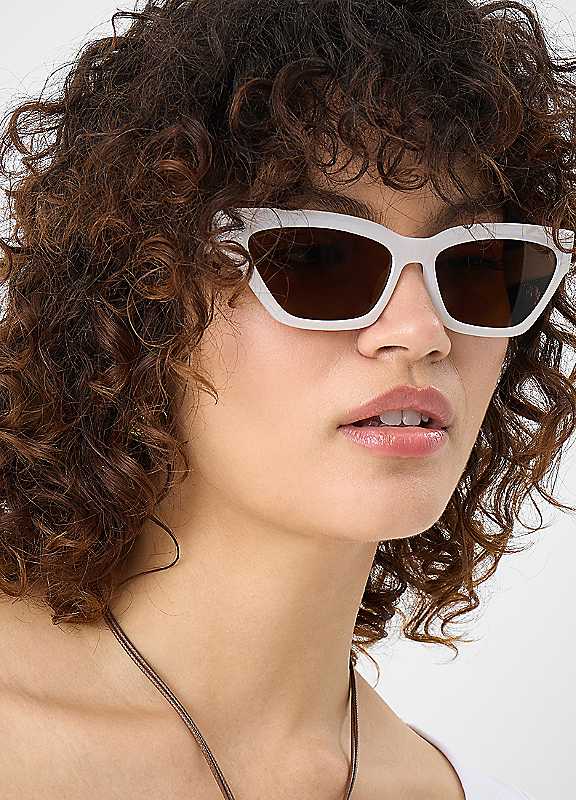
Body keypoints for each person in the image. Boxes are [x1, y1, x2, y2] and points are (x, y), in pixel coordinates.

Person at [0, 1, 574, 797]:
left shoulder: (424, 786)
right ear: (141, 299)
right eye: (317, 257)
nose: (421, 332)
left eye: (478, 265)